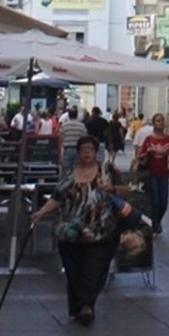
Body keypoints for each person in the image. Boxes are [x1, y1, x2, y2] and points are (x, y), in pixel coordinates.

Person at [30, 136, 125, 325]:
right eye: (83, 149)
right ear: (78, 152)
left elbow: (126, 190)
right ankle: (80, 306)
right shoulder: (69, 174)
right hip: (70, 232)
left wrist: (112, 189)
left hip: (100, 231)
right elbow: (57, 197)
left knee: (94, 270)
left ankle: (86, 306)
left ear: (96, 152)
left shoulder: (107, 171)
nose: (87, 153)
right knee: (74, 271)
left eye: (90, 149)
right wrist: (41, 212)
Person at [135, 113, 169, 235]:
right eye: (158, 120)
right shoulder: (149, 140)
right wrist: (146, 154)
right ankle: (155, 225)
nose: (160, 122)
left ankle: (157, 221)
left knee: (163, 202)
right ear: (154, 123)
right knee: (155, 201)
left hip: (164, 174)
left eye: (162, 120)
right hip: (151, 174)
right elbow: (140, 156)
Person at [58, 108, 88, 174]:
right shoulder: (82, 126)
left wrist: (60, 151)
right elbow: (85, 139)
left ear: (69, 116)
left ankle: (65, 183)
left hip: (67, 149)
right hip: (78, 150)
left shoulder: (64, 125)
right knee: (78, 169)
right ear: (77, 115)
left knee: (65, 170)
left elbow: (60, 138)